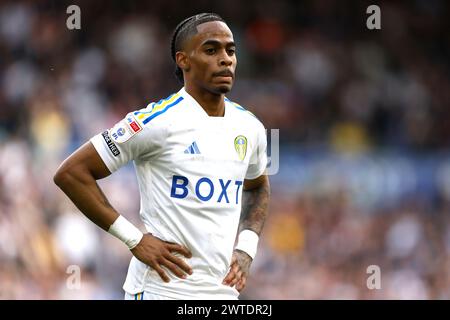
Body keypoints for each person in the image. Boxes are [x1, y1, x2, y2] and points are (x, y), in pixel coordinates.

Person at [54, 12, 270, 300]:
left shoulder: (250, 127)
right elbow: (71, 173)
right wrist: (134, 240)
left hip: (221, 294)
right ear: (183, 60)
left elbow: (257, 186)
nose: (225, 58)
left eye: (230, 50)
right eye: (211, 50)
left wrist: (246, 248)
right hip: (161, 290)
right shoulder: (156, 122)